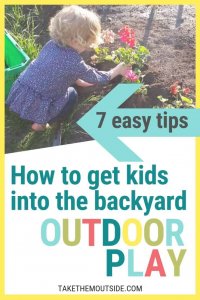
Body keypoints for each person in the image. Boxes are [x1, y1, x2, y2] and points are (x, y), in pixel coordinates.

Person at [6, 5, 131, 131]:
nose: (88, 47)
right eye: (88, 43)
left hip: (19, 98)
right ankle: (39, 124)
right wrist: (117, 70)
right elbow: (97, 77)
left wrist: (77, 79)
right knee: (72, 94)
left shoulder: (51, 44)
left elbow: (52, 68)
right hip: (37, 110)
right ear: (77, 40)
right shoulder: (73, 61)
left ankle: (32, 118)